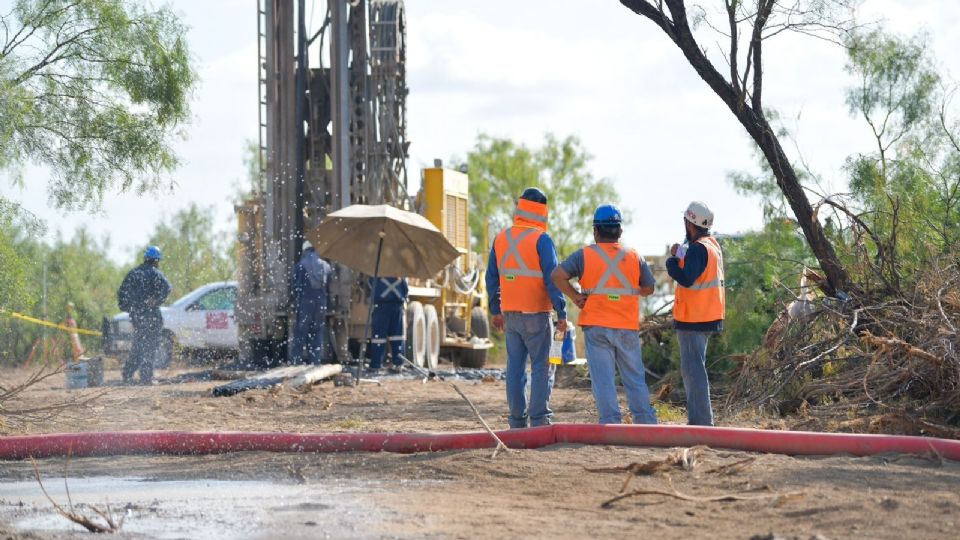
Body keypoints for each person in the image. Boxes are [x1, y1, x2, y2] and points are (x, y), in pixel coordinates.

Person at [551, 204, 658, 425]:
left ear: (596, 231)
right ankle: (646, 423)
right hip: (626, 326)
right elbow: (649, 289)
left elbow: (557, 275)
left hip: (596, 326)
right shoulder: (634, 256)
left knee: (603, 381)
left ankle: (610, 424)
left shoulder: (584, 255)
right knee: (635, 379)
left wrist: (575, 296)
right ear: (619, 231)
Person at [485, 187, 567, 428]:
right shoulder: (542, 239)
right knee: (542, 366)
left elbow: (491, 278)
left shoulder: (501, 238)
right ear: (543, 211)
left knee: (515, 369)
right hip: (537, 316)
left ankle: (516, 421)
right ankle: (540, 419)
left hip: (511, 315)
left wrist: (495, 310)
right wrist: (561, 311)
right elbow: (553, 278)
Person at [666, 201, 725, 426]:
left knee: (693, 373)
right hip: (706, 316)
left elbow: (687, 277)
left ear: (689, 223)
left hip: (694, 319)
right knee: (694, 369)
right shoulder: (711, 245)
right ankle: (701, 421)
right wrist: (680, 252)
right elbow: (695, 264)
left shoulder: (699, 248)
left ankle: (701, 423)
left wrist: (672, 263)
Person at [117, 245, 172, 384]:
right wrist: (157, 299)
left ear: (146, 258)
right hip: (152, 316)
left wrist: (131, 308)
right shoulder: (155, 273)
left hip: (137, 316)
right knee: (150, 346)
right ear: (156, 261)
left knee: (138, 344)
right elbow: (167, 288)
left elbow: (122, 293)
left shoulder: (133, 273)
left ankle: (127, 373)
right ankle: (146, 378)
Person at [290, 240, 332, 364]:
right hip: (321, 304)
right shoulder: (326, 265)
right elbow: (330, 286)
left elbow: (295, 286)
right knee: (317, 332)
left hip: (305, 303)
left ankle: (295, 363)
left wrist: (292, 302)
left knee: (300, 332)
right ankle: (315, 363)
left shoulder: (300, 265)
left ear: (304, 250)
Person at [367, 276, 409, 373]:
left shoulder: (376, 274)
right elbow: (406, 289)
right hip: (397, 307)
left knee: (379, 337)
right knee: (397, 336)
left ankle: (376, 365)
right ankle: (398, 363)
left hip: (381, 307)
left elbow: (370, 286)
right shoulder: (400, 275)